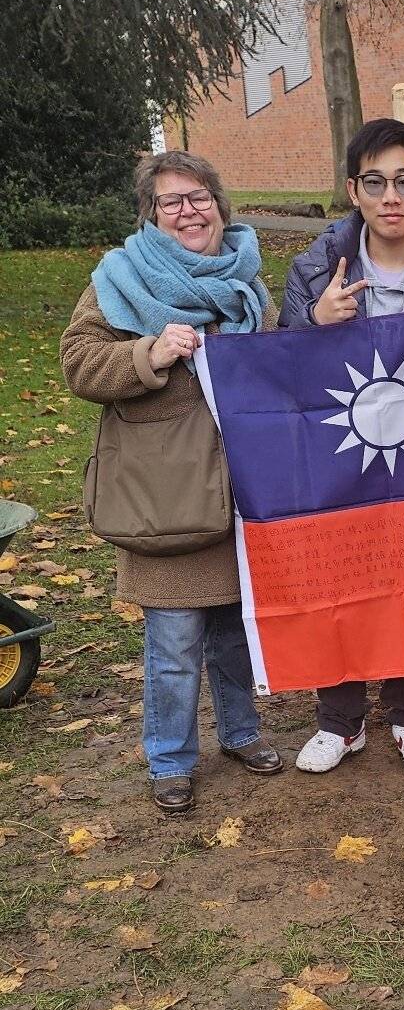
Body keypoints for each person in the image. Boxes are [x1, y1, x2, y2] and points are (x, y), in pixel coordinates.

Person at [60, 151, 283, 814]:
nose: (189, 210)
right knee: (175, 641)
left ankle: (242, 732)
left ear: (220, 203)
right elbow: (78, 361)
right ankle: (171, 757)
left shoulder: (248, 281)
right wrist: (146, 353)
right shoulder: (120, 278)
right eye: (171, 201)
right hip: (162, 495)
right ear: (151, 216)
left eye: (199, 197)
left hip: (237, 488)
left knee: (235, 630)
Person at [280, 118, 404, 777]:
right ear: (353, 190)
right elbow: (280, 369)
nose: (390, 196)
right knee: (340, 572)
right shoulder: (315, 269)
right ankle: (338, 719)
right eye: (375, 182)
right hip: (341, 454)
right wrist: (315, 324)